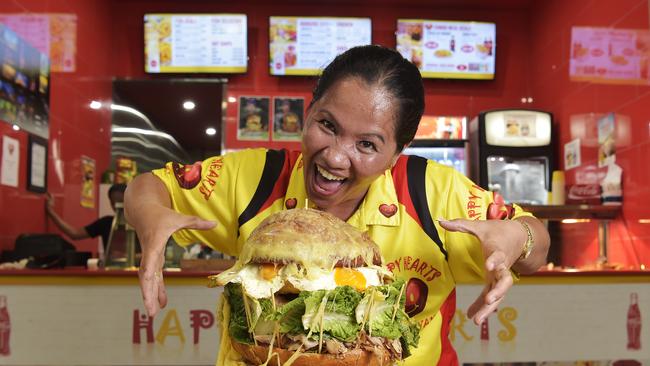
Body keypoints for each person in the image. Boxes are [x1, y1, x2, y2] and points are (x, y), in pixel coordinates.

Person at [124, 45, 550, 365]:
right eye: (327, 125)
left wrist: (518, 236)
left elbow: (536, 243)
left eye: (367, 144)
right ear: (308, 113)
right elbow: (149, 186)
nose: (335, 156)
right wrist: (152, 217)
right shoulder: (254, 178)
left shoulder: (432, 193)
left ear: (398, 153)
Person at [46, 183, 127, 252]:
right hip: (112, 270)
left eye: (120, 202)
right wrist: (51, 212)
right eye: (113, 203)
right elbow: (74, 234)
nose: (117, 206)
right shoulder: (106, 223)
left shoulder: (138, 223)